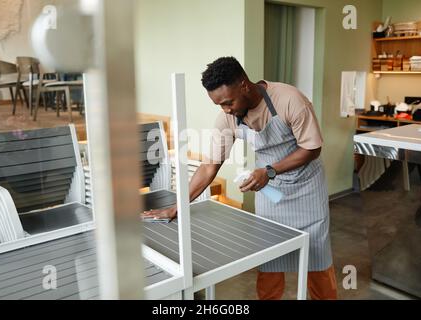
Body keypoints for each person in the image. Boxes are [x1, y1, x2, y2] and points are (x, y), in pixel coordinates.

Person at [142, 56, 337, 300]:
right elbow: (208, 166)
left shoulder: (290, 100)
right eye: (219, 105)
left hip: (306, 191)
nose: (225, 109)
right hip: (270, 194)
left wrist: (269, 171)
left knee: (318, 263)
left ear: (244, 85)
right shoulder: (227, 118)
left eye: (228, 102)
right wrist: (177, 207)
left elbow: (312, 148)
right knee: (270, 265)